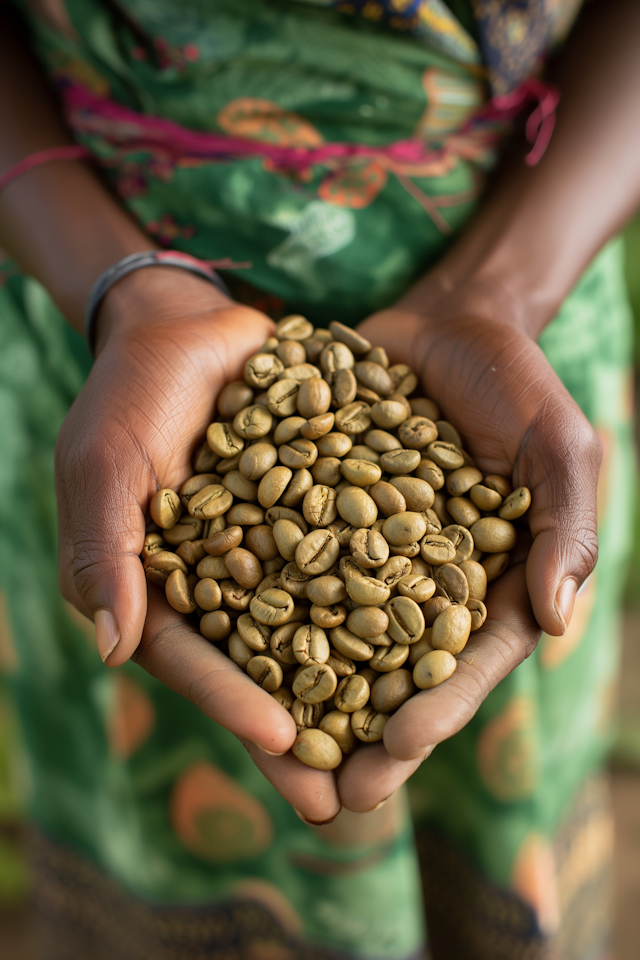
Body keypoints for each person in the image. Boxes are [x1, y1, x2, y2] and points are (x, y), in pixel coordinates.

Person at [0, 0, 637, 957]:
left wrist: (501, 289)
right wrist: (115, 285)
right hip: (112, 373)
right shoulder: (249, 522)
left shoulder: (430, 518)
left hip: (524, 322)